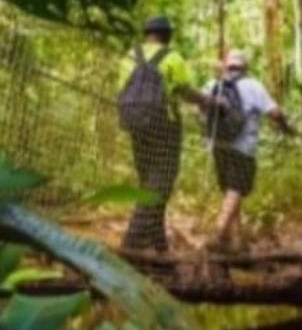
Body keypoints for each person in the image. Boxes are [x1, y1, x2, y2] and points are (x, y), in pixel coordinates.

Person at [114, 14, 197, 255]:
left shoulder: (129, 56)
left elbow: (122, 90)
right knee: (160, 183)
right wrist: (208, 102)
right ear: (167, 35)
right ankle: (131, 242)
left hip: (135, 125)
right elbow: (183, 90)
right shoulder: (172, 57)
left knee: (149, 180)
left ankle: (159, 245)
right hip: (165, 127)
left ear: (146, 33)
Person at [199, 48, 291, 251]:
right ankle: (218, 231)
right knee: (236, 189)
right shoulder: (253, 86)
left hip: (217, 145)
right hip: (242, 148)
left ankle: (237, 242)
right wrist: (285, 127)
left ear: (227, 66)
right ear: (245, 67)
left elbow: (200, 108)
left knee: (230, 191)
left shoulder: (214, 84)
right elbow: (274, 113)